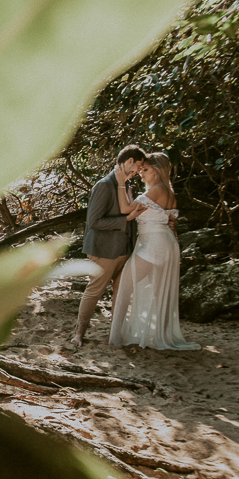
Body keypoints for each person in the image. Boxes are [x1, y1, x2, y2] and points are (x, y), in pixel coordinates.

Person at [108, 152, 200, 350]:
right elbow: (172, 223)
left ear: (157, 171)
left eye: (145, 170)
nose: (141, 173)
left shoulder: (157, 190)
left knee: (123, 283)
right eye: (141, 170)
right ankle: (161, 335)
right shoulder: (168, 191)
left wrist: (120, 182)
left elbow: (125, 208)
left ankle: (115, 337)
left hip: (154, 245)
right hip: (166, 243)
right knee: (160, 292)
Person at [69, 145, 146, 348]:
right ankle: (79, 333)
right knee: (94, 292)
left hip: (125, 250)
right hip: (104, 250)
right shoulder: (104, 185)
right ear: (129, 161)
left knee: (120, 294)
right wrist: (125, 220)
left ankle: (113, 336)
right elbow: (93, 222)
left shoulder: (128, 185)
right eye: (138, 166)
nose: (138, 171)